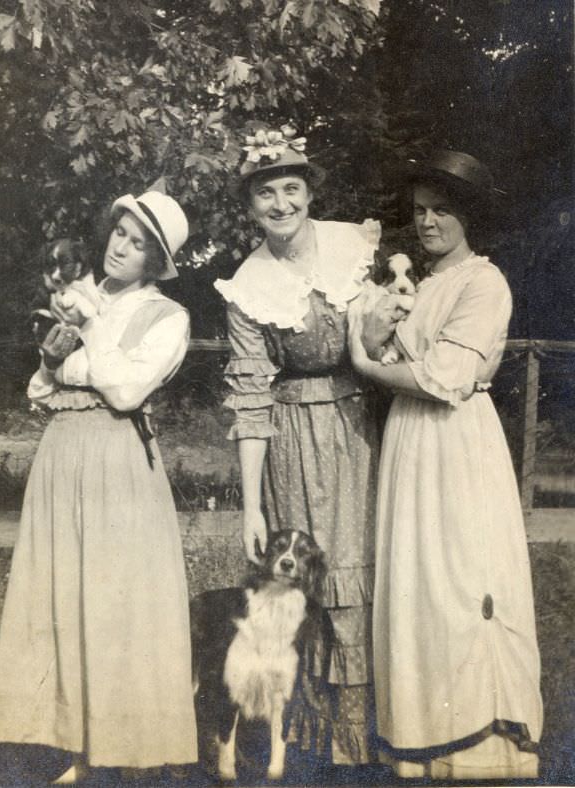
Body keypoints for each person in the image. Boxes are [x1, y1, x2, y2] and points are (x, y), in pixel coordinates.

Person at [0, 187, 198, 782]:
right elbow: (44, 390)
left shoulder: (167, 316)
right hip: (62, 451)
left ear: (156, 261)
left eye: (138, 243)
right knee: (58, 589)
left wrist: (93, 332)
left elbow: (127, 392)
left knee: (112, 596)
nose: (120, 248)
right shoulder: (79, 299)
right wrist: (52, 361)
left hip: (116, 458)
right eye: (119, 233)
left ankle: (117, 746)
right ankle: (63, 738)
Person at [347, 149, 543, 779]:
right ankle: (419, 741)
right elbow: (382, 342)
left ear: (470, 217)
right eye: (421, 211)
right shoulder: (417, 285)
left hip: (459, 442)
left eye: (442, 211)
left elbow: (447, 376)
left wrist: (369, 367)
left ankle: (480, 747)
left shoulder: (484, 283)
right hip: (409, 439)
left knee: (461, 576)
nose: (428, 222)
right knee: (416, 578)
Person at [214, 125, 382, 766]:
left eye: (291, 188)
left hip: (360, 427)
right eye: (265, 193)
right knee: (306, 576)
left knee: (361, 566)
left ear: (310, 192)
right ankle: (314, 740)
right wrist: (252, 506)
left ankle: (369, 730)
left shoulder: (352, 245)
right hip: (290, 441)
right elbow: (252, 398)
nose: (281, 204)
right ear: (250, 205)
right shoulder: (247, 285)